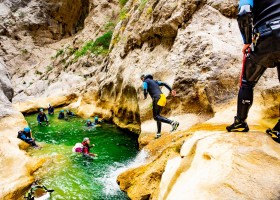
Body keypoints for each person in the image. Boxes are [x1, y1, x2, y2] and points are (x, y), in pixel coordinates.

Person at [226, 0, 280, 133]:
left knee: (247, 82)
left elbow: (244, 12)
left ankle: (240, 122)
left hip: (266, 35)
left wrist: (247, 41)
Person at [141, 74, 179, 139]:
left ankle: (172, 123)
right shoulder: (155, 81)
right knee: (158, 116)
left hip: (157, 98)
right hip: (162, 97)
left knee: (156, 117)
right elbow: (164, 83)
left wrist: (145, 96)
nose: (142, 80)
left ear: (143, 78)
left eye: (142, 79)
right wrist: (171, 90)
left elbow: (145, 89)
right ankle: (158, 134)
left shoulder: (145, 82)